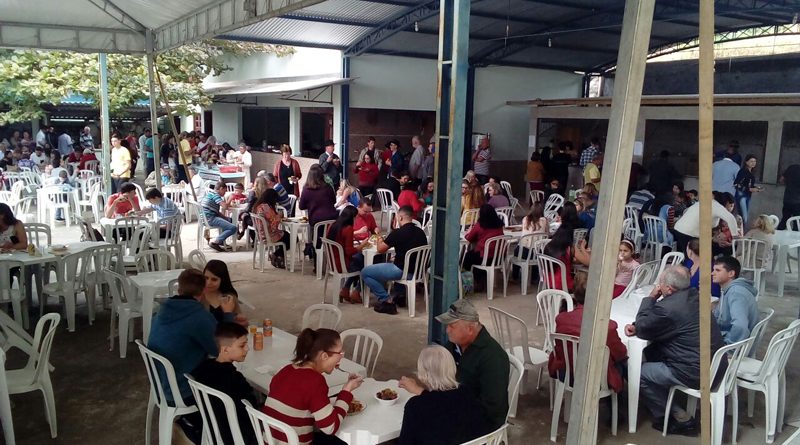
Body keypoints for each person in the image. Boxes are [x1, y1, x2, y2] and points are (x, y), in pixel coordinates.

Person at [624, 266, 725, 436]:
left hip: (694, 371)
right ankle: (666, 401)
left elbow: (642, 327)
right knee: (653, 350)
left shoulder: (668, 308)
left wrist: (651, 297)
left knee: (636, 372)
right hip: (715, 364)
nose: (658, 286)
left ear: (669, 289)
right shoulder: (695, 296)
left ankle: (678, 417)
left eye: (660, 283)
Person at [263, 328, 363, 445]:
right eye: (340, 353)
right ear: (324, 356)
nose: (341, 357)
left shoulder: (285, 370)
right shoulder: (315, 381)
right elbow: (331, 427)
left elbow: (297, 405)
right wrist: (347, 390)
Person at [422, 299, 510, 430]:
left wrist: (428, 398)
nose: (447, 331)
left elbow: (491, 409)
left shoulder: (493, 358)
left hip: (480, 421)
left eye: (452, 326)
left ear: (470, 329)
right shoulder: (454, 344)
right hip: (455, 404)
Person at [548, 273, 628, 393]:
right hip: (595, 380)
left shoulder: (561, 319)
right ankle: (618, 405)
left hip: (567, 373)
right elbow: (620, 353)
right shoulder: (607, 326)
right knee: (624, 364)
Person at [148, 269, 218, 404]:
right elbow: (218, 349)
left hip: (161, 383)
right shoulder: (198, 316)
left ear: (179, 289)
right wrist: (227, 315)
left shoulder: (163, 310)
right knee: (228, 373)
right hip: (183, 390)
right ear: (203, 291)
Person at [397, 345, 491, 445]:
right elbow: (443, 403)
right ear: (453, 368)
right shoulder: (468, 393)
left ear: (422, 375)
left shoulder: (415, 406)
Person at [191, 322, 259, 445]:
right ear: (226, 349)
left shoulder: (202, 368)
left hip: (213, 428)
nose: (247, 349)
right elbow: (251, 408)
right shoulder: (234, 379)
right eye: (242, 345)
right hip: (235, 435)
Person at [361, 206, 428, 315]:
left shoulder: (398, 233)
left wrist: (379, 238)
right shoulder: (421, 232)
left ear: (400, 218)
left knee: (365, 272)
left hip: (401, 271)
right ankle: (400, 295)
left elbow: (380, 249)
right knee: (396, 262)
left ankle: (386, 299)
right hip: (418, 272)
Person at [711, 256, 759, 344]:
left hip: (735, 348)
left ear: (731, 273)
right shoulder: (729, 289)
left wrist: (728, 347)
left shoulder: (736, 293)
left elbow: (740, 326)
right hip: (729, 340)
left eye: (718, 270)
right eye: (713, 270)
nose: (712, 273)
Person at [327, 206, 368, 304]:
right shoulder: (348, 229)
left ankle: (345, 289)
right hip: (343, 264)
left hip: (332, 262)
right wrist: (361, 246)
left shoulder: (333, 225)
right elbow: (350, 251)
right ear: (352, 217)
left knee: (360, 260)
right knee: (367, 265)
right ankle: (357, 291)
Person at [299, 165, 338, 261]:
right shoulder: (328, 187)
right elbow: (333, 201)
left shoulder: (306, 189)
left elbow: (301, 206)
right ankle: (333, 260)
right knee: (331, 238)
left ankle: (318, 264)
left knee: (317, 238)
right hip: (332, 219)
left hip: (317, 220)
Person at [463, 204, 505, 291]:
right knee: (474, 256)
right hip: (497, 257)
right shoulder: (499, 225)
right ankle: (481, 280)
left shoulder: (480, 225)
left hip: (484, 257)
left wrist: (469, 231)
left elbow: (469, 238)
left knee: (467, 257)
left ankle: (469, 285)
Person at [253, 189, 292, 269]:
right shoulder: (266, 207)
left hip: (261, 234)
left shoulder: (258, 206)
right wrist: (280, 216)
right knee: (291, 238)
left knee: (287, 236)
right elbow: (273, 221)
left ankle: (278, 256)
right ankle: (276, 255)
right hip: (269, 235)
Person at [202, 260, 247, 325]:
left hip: (226, 333)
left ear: (222, 280)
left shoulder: (230, 297)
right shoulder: (197, 295)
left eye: (214, 279)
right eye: (206, 278)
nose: (208, 283)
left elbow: (239, 325)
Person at [202, 181, 237, 252]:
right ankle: (216, 242)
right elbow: (225, 207)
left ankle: (221, 241)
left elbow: (216, 212)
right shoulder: (215, 195)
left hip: (207, 217)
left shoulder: (210, 193)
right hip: (210, 218)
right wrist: (230, 198)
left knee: (230, 220)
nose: (225, 193)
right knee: (233, 228)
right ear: (221, 188)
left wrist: (225, 218)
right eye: (225, 191)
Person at [543, 226, 575, 292]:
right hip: (565, 283)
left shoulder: (548, 246)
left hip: (549, 281)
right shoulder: (568, 249)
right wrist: (583, 248)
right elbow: (587, 261)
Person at [734, 154, 762, 227]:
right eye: (751, 161)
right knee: (744, 216)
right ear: (746, 162)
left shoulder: (751, 172)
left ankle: (740, 231)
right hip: (741, 195)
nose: (753, 163)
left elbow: (748, 184)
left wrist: (756, 188)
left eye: (755, 161)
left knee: (744, 216)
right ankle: (740, 232)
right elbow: (736, 184)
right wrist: (749, 189)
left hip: (748, 195)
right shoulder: (743, 171)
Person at [779, 163, 800, 229]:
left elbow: (781, 180)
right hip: (798, 201)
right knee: (796, 222)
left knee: (784, 219)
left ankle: (778, 234)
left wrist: (789, 184)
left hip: (787, 200)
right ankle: (794, 238)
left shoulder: (792, 167)